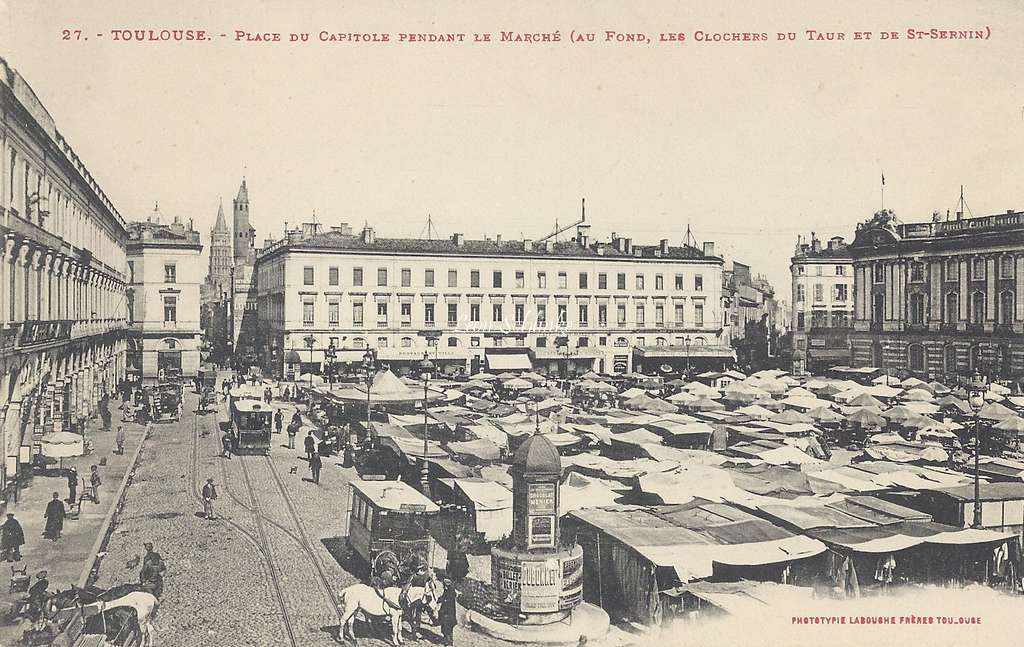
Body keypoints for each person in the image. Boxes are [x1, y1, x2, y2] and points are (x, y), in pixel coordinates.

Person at [438, 578, 457, 646]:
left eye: (444, 585)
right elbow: (443, 597)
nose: (444, 587)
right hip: (448, 614)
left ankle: (448, 641)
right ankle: (449, 641)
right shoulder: (447, 591)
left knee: (447, 628)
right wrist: (439, 599)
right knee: (448, 628)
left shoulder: (450, 593)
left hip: (448, 614)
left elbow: (446, 600)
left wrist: (442, 600)